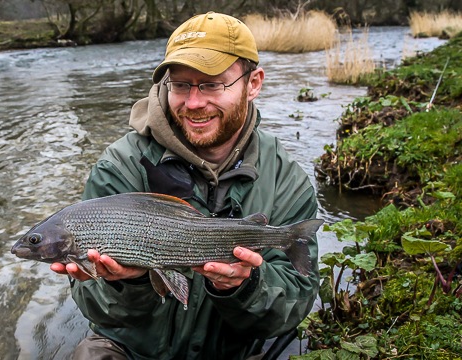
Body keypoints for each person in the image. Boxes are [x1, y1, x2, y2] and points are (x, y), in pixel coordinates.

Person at [50, 11, 320, 360]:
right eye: (180, 85)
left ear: (253, 84)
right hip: (136, 350)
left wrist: (245, 285)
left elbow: (292, 307)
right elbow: (100, 312)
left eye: (211, 84)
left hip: (234, 349)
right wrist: (128, 282)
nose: (193, 103)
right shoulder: (120, 166)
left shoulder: (286, 180)